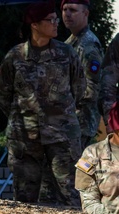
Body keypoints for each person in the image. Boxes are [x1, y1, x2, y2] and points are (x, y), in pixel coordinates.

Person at [0, 1, 86, 205]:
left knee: (71, 194)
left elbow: (79, 88)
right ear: (34, 25)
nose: (56, 23)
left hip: (62, 135)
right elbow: (1, 92)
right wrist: (22, 115)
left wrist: (60, 113)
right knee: (25, 198)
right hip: (25, 137)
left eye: (55, 19)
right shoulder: (15, 56)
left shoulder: (66, 53)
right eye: (50, 20)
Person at [62, 0, 103, 146]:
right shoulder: (70, 42)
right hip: (68, 123)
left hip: (80, 125)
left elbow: (93, 89)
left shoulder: (88, 46)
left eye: (73, 10)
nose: (67, 14)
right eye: (64, 10)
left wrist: (62, 98)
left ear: (86, 13)